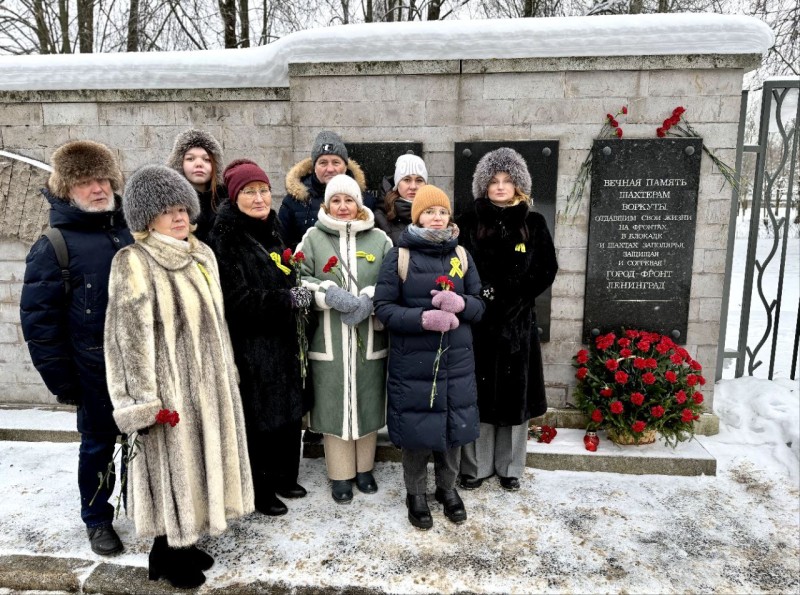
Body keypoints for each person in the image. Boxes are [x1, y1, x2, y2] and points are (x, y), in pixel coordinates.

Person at [104, 165, 254, 589]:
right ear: (146, 218)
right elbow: (125, 341)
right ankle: (169, 552)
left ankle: (183, 545)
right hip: (169, 392)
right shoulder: (133, 262)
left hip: (211, 383)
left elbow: (217, 323)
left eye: (183, 208)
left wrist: (226, 371)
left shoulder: (201, 253)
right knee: (174, 471)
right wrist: (140, 401)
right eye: (167, 210)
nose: (179, 217)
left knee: (202, 465)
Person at [20, 140, 133, 556]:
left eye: (103, 179)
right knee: (99, 448)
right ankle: (97, 518)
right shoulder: (53, 246)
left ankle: (145, 505)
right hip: (92, 372)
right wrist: (64, 383)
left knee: (144, 443)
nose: (98, 189)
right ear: (67, 189)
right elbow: (40, 325)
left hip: (139, 368)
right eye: (86, 182)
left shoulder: (130, 232)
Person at [373, 185, 485, 530]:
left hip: (457, 361)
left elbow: (480, 305)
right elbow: (384, 308)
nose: (436, 218)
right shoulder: (400, 256)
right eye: (429, 212)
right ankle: (416, 494)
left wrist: (462, 304)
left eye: (442, 212)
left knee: (452, 431)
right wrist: (422, 318)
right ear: (416, 215)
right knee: (417, 433)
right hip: (415, 363)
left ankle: (447, 490)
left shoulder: (462, 256)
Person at [207, 159, 313, 517]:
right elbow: (235, 299)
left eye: (264, 190)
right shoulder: (227, 236)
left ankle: (285, 476)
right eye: (250, 192)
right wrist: (286, 299)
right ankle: (260, 488)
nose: (259, 198)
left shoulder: (274, 227)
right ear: (235, 196)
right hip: (252, 344)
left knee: (287, 411)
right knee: (260, 418)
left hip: (283, 337)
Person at [457, 147, 558, 491]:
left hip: (517, 324)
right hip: (479, 323)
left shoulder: (533, 221)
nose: (500, 187)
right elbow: (461, 264)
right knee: (480, 395)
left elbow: (546, 268)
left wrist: (517, 296)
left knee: (515, 396)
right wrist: (481, 293)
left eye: (507, 180)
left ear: (518, 185)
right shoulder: (468, 220)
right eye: (494, 181)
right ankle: (477, 466)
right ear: (484, 185)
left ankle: (510, 467)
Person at [297, 174, 391, 504]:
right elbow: (300, 279)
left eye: (348, 200)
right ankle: (339, 475)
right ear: (326, 204)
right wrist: (329, 294)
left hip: (368, 338)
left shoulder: (379, 239)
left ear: (359, 204)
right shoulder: (312, 238)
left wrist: (369, 298)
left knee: (366, 401)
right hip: (330, 340)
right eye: (335, 200)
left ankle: (364, 470)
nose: (342, 207)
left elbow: (392, 280)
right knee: (334, 405)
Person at [279, 130, 377, 249]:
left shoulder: (366, 200)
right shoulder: (292, 202)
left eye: (336, 162)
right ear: (314, 167)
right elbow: (283, 245)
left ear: (345, 166)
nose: (330, 169)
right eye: (323, 163)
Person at [166, 128, 228, 242]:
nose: (199, 164)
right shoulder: (167, 201)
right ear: (180, 163)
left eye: (207, 159)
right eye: (190, 159)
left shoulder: (227, 200)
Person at [374, 153, 428, 245]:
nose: (413, 186)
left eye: (419, 180)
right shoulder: (380, 218)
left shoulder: (437, 213)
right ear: (397, 183)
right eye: (407, 180)